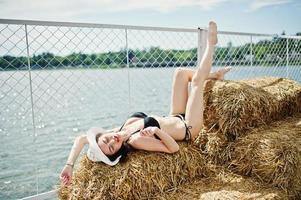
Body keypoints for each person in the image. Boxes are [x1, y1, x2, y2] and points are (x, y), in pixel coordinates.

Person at [60, 21, 231, 186]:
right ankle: (211, 44)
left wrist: (69, 165)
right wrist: (156, 131)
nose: (112, 140)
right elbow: (173, 149)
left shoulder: (118, 130)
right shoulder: (136, 140)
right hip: (188, 127)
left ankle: (215, 76)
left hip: (175, 115)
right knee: (195, 83)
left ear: (102, 135)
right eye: (112, 148)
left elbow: (82, 139)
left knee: (180, 73)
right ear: (118, 151)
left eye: (105, 140)